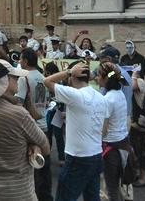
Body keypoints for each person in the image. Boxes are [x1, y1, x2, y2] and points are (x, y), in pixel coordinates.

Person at [0, 59, 50, 201]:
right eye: (14, 77)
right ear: (5, 81)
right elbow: (45, 146)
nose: (17, 80)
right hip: (16, 192)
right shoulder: (18, 114)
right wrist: (34, 145)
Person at [44, 60, 109, 201]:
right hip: (96, 155)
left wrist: (68, 71)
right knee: (92, 197)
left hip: (78, 158)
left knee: (63, 197)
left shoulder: (75, 95)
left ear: (73, 76)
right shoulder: (100, 97)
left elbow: (47, 81)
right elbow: (104, 130)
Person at [15, 49, 52, 201]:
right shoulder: (43, 77)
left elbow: (18, 102)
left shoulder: (23, 78)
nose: (19, 61)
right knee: (44, 166)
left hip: (30, 126)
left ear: (25, 60)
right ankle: (46, 196)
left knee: (30, 167)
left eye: (21, 58)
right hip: (44, 125)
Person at [96, 62, 130, 201]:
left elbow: (103, 130)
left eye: (98, 75)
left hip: (111, 148)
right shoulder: (119, 93)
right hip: (123, 145)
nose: (96, 78)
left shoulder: (107, 99)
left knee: (111, 189)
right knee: (119, 186)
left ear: (105, 78)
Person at [129, 68, 145, 188]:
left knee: (141, 149)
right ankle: (137, 173)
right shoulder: (133, 80)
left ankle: (143, 177)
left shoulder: (140, 81)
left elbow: (132, 87)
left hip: (139, 122)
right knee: (135, 149)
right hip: (134, 122)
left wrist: (134, 74)